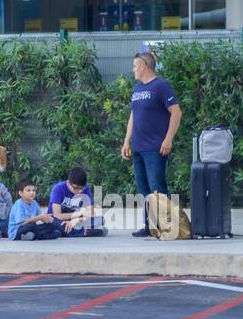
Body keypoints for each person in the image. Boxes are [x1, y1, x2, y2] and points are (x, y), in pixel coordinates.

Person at [121, 50, 182, 237]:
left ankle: (166, 226)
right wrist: (126, 141)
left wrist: (168, 138)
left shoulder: (161, 86)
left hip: (155, 147)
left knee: (157, 188)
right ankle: (149, 226)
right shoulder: (137, 89)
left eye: (134, 66)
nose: (133, 70)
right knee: (144, 190)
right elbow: (133, 116)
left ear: (143, 66)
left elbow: (176, 112)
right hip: (138, 147)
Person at [48, 166, 107, 237]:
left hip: (76, 221)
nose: (79, 191)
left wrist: (74, 221)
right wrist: (80, 213)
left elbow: (91, 213)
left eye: (81, 188)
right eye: (75, 188)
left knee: (101, 220)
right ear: (68, 183)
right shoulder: (58, 189)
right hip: (57, 220)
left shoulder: (86, 189)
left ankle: (68, 231)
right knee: (54, 224)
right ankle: (86, 232)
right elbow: (57, 215)